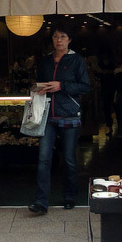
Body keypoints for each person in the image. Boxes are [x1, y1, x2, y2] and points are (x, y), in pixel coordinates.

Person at [28, 22, 91, 214]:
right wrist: (38, 88)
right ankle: (41, 202)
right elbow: (38, 82)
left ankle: (70, 197)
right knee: (44, 159)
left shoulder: (77, 60)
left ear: (69, 40)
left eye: (63, 36)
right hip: (47, 115)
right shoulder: (46, 61)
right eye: (56, 36)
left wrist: (61, 86)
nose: (59, 40)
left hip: (69, 114)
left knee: (70, 159)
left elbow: (85, 86)